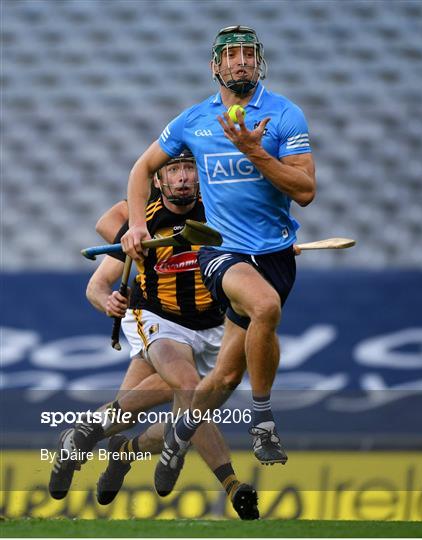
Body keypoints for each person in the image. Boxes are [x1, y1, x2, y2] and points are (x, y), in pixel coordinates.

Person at [120, 25, 316, 493]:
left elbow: (305, 191)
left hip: (275, 254)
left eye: (248, 54)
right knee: (266, 306)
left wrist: (256, 153)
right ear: (215, 66)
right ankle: (264, 421)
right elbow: (142, 168)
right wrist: (136, 224)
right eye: (230, 56)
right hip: (222, 251)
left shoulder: (285, 115)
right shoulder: (192, 120)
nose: (240, 62)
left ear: (259, 62)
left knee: (225, 376)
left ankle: (171, 438)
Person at [48, 151, 259, 519]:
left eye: (188, 169)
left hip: (213, 327)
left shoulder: (222, 210)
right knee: (190, 390)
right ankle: (233, 486)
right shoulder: (140, 223)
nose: (181, 178)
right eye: (172, 170)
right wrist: (108, 301)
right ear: (158, 181)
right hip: (160, 320)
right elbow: (98, 283)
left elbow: (258, 240)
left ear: (200, 175)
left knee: (148, 414)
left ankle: (108, 445)